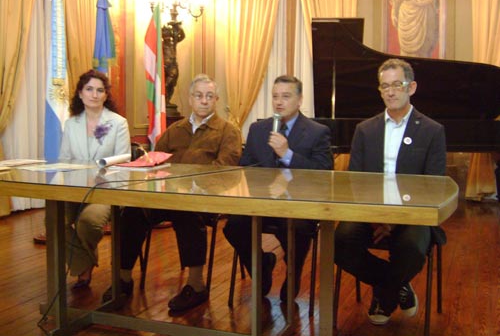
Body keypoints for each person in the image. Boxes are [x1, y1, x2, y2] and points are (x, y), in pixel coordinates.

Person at [102, 74, 242, 311]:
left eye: (209, 96)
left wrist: (192, 188)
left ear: (216, 100)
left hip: (203, 200)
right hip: (167, 196)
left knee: (187, 213)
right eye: (198, 95)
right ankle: (123, 279)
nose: (204, 101)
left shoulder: (228, 131)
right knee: (132, 212)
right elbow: (155, 162)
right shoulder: (174, 130)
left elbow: (225, 171)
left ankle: (196, 286)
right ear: (190, 99)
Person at [334, 58, 446, 325]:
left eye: (397, 84)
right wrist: (377, 217)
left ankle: (384, 296)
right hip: (370, 212)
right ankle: (397, 285)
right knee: (340, 242)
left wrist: (394, 222)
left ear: (412, 87)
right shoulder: (365, 130)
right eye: (385, 86)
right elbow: (356, 181)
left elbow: (433, 186)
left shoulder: (432, 131)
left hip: (412, 215)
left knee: (410, 246)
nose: (391, 92)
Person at [223, 75, 332, 302]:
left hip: (298, 205)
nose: (279, 102)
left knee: (296, 229)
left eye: (286, 96)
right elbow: (246, 167)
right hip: (262, 203)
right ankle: (261, 266)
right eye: (275, 97)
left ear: (300, 100)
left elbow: (323, 173)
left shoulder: (317, 131)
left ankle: (293, 274)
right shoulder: (258, 129)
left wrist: (288, 155)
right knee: (233, 226)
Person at [60, 69, 131, 289]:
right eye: (89, 89)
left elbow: (123, 163)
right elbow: (64, 160)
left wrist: (98, 178)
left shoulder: (118, 123)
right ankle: (84, 264)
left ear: (105, 95)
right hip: (74, 188)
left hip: (106, 189)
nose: (94, 94)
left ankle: (83, 268)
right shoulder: (71, 124)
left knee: (88, 222)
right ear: (80, 93)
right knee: (53, 221)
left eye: (100, 90)